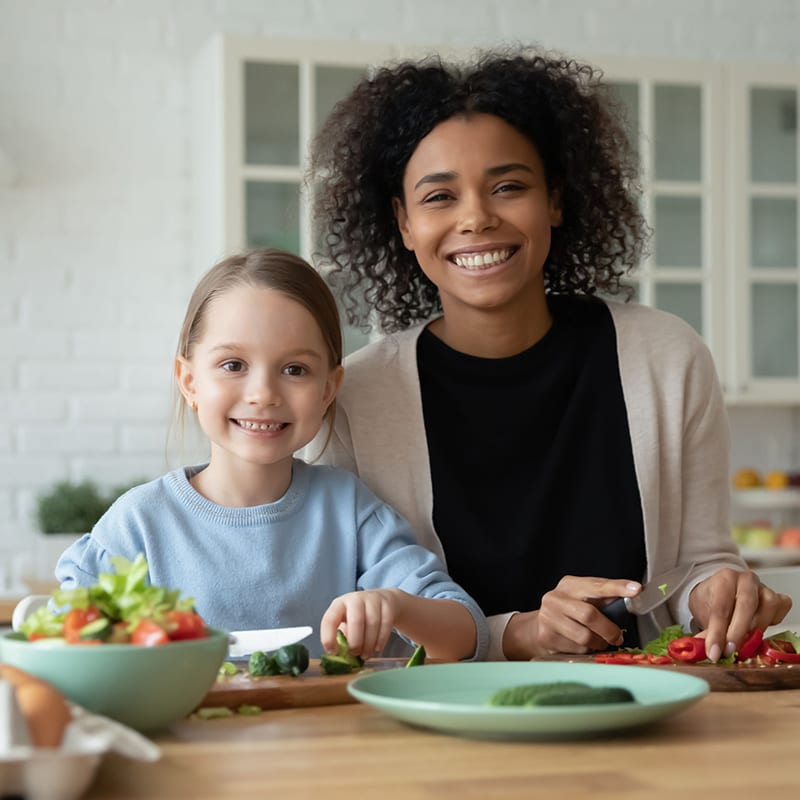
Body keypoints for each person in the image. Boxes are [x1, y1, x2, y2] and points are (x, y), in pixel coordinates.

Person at [305, 47, 793, 661]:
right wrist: (520, 630)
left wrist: (718, 592)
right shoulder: (359, 399)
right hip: (441, 716)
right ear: (402, 223)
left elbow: (696, 564)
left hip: (645, 703)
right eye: (439, 197)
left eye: (508, 186)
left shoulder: (667, 359)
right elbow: (359, 615)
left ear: (555, 199)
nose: (477, 218)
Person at [55, 248, 488, 661]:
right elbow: (62, 640)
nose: (263, 394)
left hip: (328, 739)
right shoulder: (138, 524)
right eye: (233, 365)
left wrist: (396, 605)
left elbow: (467, 632)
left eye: (294, 370)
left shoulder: (349, 511)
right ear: (189, 381)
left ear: (327, 390)